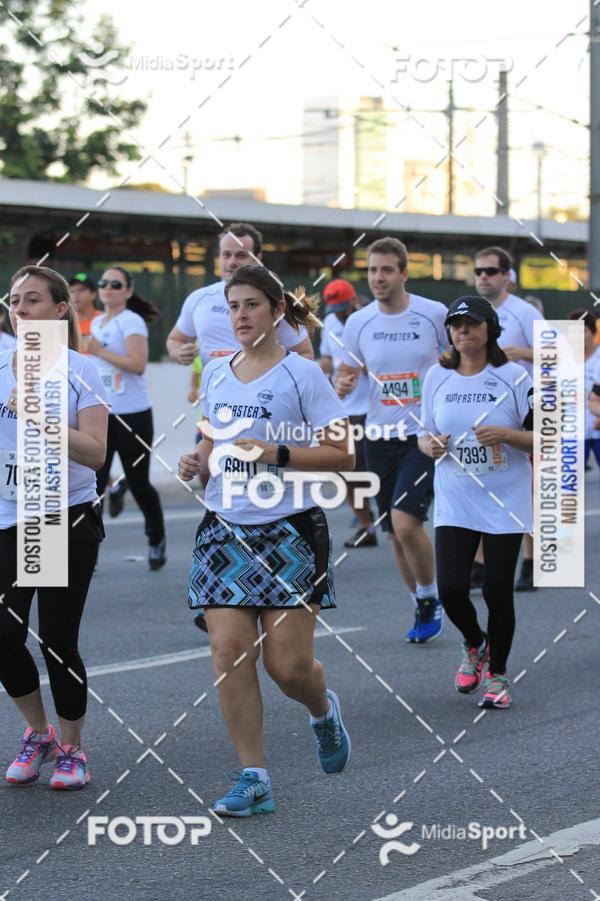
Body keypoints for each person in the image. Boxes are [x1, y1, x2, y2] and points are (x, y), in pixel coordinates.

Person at [178, 264, 352, 817]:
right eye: (232, 307)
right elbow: (212, 430)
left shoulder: (302, 374)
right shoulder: (217, 370)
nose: (240, 317)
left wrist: (275, 453)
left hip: (291, 529)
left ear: (278, 311)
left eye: (251, 305)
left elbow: (343, 454)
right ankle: (254, 776)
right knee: (229, 651)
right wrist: (198, 460)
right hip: (225, 527)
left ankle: (323, 711)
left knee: (288, 668)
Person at [0, 265, 107, 788]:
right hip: (6, 517)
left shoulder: (81, 370)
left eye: (33, 300)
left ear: (60, 310)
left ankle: (72, 747)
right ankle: (37, 732)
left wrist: (39, 418)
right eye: (15, 301)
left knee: (57, 639)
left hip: (61, 515)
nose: (20, 310)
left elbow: (95, 452)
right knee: (2, 633)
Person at [419, 296, 533, 710]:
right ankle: (475, 644)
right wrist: (429, 445)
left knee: (499, 590)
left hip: (505, 495)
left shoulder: (514, 376)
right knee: (451, 588)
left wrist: (506, 434)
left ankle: (499, 674)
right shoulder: (436, 376)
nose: (463, 332)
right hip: (456, 495)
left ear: (490, 329)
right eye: (456, 325)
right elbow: (425, 432)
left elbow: (546, 438)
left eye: (471, 324)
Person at [336, 237, 447, 644]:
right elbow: (347, 376)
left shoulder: (433, 314)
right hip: (378, 436)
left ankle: (432, 596)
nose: (378, 278)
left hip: (423, 436)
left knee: (407, 522)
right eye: (371, 270)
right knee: (393, 533)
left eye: (386, 270)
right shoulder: (359, 322)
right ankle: (420, 600)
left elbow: (458, 361)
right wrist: (342, 383)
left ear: (403, 273)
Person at [83, 267, 167, 571]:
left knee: (138, 481)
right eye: (104, 283)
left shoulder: (131, 321)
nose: (108, 288)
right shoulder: (95, 321)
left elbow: (137, 364)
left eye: (116, 284)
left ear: (128, 291)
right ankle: (88, 549)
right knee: (93, 482)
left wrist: (98, 349)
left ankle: (156, 539)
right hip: (100, 414)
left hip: (133, 415)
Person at [473, 246, 543, 592]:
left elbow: (562, 352)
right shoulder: (473, 312)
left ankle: (530, 561)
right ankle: (481, 565)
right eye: (479, 272)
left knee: (525, 489)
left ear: (505, 276)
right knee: (483, 484)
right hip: (483, 409)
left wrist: (524, 353)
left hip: (523, 411)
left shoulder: (524, 313)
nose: (483, 277)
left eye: (490, 271)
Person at [166, 222, 315, 367]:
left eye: (241, 255)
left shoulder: (273, 300)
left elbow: (305, 354)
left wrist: (274, 382)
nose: (232, 262)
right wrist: (178, 352)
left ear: (258, 258)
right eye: (226, 255)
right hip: (212, 392)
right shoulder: (199, 299)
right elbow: (175, 340)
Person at [319, 278, 376, 548]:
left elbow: (379, 365)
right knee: (344, 470)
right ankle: (366, 523)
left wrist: (355, 367)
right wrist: (324, 367)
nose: (340, 314)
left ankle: (388, 520)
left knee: (366, 469)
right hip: (341, 408)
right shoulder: (330, 323)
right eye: (336, 309)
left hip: (371, 408)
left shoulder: (369, 321)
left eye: (344, 307)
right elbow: (327, 356)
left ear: (353, 301)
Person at [69, 273, 127, 518]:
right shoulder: (67, 321)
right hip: (73, 394)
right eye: (72, 291)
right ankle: (114, 486)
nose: (76, 296)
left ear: (93, 295)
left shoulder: (100, 321)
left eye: (82, 290)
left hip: (104, 398)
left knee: (94, 455)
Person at [567, 309, 600, 469]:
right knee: (570, 485)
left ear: (593, 332)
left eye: (583, 331)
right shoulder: (563, 361)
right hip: (573, 431)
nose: (578, 336)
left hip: (597, 427)